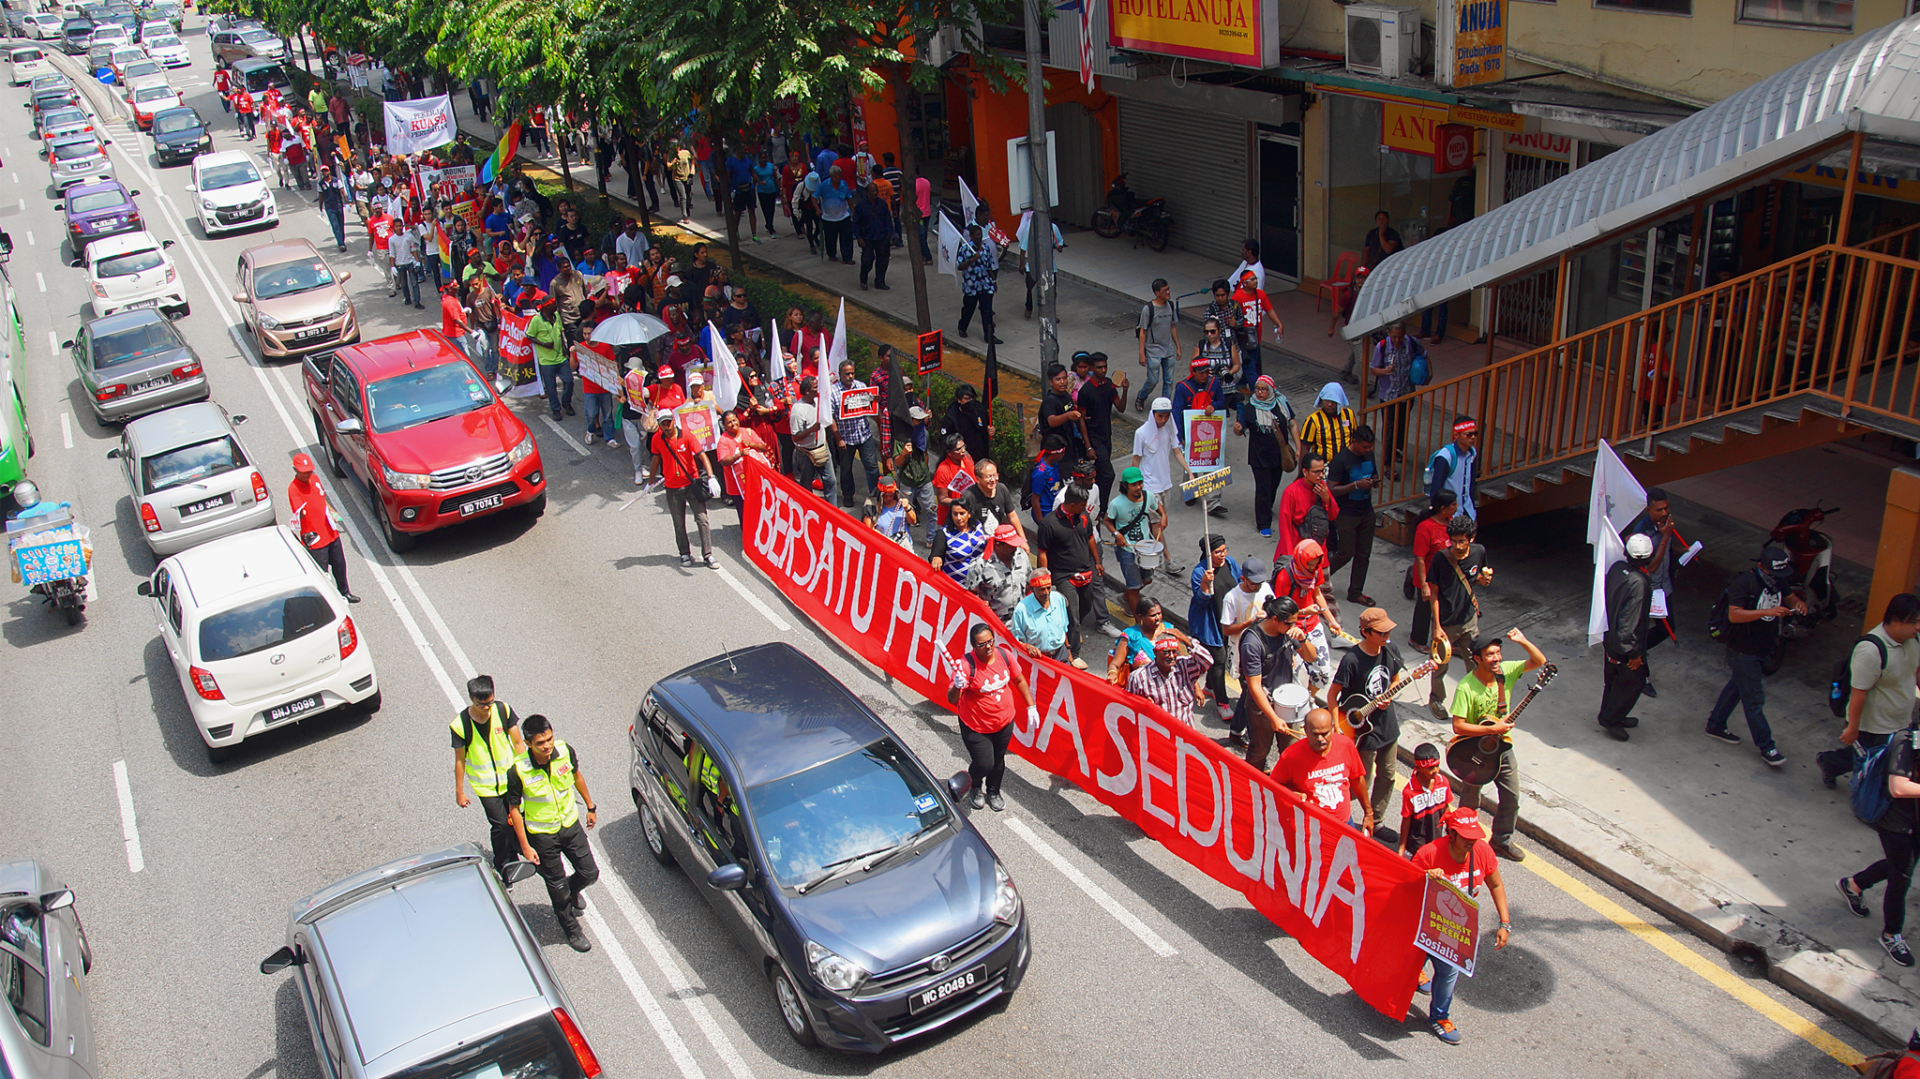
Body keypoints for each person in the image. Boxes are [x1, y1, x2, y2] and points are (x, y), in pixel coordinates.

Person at [1410, 807, 1512, 1045]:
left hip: (1453, 933)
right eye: (1465, 837)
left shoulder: (1482, 852)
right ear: (1451, 834)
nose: (1470, 842)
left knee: (1448, 973)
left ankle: (1439, 1017)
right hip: (1422, 926)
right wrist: (1425, 876)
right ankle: (1412, 974)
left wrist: (1505, 923)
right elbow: (1405, 888)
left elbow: (1496, 886)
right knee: (1408, 965)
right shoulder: (1428, 854)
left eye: (1474, 837)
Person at [505, 715, 600, 954]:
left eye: (549, 739)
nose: (547, 746)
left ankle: (572, 890)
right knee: (556, 887)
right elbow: (514, 810)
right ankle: (571, 928)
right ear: (528, 744)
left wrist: (590, 806)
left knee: (590, 873)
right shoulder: (518, 770)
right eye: (540, 743)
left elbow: (576, 777)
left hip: (569, 825)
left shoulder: (564, 750)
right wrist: (526, 847)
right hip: (542, 834)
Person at [1451, 628, 1547, 861]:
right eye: (1490, 654)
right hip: (1475, 752)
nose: (1496, 658)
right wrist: (1492, 729)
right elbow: (1458, 726)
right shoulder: (1466, 687)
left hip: (1502, 748)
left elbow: (1540, 661)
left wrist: (1523, 640)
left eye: (1498, 653)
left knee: (1512, 798)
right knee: (1470, 801)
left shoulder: (1506, 672)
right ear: (1477, 659)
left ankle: (1501, 841)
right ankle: (1462, 837)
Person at [1704, 544, 1805, 767]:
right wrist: (1768, 612)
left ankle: (1716, 724)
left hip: (1763, 647)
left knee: (1737, 687)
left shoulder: (1778, 579)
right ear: (1761, 567)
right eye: (1774, 574)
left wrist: (1797, 603)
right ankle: (1767, 746)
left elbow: (1788, 596)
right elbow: (1735, 615)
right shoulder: (1744, 584)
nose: (1778, 579)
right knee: (1753, 700)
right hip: (1743, 650)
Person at [1839, 720, 1920, 967]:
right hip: (1897, 822)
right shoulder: (1907, 740)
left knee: (1901, 865)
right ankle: (1891, 934)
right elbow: (1898, 786)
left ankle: (1854, 884)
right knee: (1901, 878)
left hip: (1916, 821)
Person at [1821, 593, 1920, 788]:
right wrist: (1852, 727)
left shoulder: (1913, 639)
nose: (1918, 627)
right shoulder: (1871, 651)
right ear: (1896, 620)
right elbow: (1859, 693)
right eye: (1914, 622)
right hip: (1875, 725)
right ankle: (1829, 764)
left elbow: (1914, 671)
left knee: (1888, 760)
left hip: (1901, 720)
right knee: (1867, 760)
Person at [1330, 607, 1406, 840]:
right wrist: (1337, 725)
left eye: (1388, 632)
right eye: (1382, 633)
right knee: (1361, 781)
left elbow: (1395, 677)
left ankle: (1377, 821)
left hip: (1387, 727)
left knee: (1389, 775)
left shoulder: (1390, 650)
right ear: (1366, 632)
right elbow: (1333, 694)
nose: (1387, 637)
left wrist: (1390, 694)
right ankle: (1339, 816)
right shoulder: (1352, 660)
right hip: (1362, 732)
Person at [946, 623, 1038, 813]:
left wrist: (1031, 706)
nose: (988, 647)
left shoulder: (1005, 656)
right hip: (976, 725)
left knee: (998, 761)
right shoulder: (965, 666)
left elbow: (1019, 680)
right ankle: (974, 785)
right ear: (973, 645)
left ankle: (994, 791)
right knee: (984, 763)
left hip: (1004, 721)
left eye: (990, 641)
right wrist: (957, 685)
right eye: (982, 644)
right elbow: (952, 699)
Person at [1415, 513, 1490, 718]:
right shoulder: (1441, 558)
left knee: (1475, 663)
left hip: (1469, 621)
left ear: (1471, 539)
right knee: (1439, 666)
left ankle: (1475, 701)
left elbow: (1477, 577)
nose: (1457, 546)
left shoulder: (1479, 552)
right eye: (1454, 541)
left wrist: (1483, 579)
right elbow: (1434, 593)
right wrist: (1437, 626)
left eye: (1462, 541)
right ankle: (1436, 701)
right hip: (1446, 624)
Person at [451, 674, 527, 875]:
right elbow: (459, 760)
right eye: (481, 704)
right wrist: (460, 791)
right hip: (485, 786)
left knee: (514, 818)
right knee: (500, 825)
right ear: (471, 699)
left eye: (489, 702)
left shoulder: (503, 710)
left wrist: (529, 770)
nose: (486, 708)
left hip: (509, 779)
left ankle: (514, 855)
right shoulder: (460, 725)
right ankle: (502, 866)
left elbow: (518, 743)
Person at [1237, 596, 1316, 771]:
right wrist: (1274, 718)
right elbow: (1254, 687)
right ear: (1274, 620)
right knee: (1260, 750)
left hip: (1287, 701)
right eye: (1289, 623)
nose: (1292, 627)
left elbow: (1311, 657)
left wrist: (1303, 640)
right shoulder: (1253, 643)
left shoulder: (1287, 632)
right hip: (1263, 706)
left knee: (1292, 750)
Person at [1034, 485, 1114, 654]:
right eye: (1082, 505)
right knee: (1073, 616)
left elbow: (1090, 538)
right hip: (1063, 575)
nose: (1085, 509)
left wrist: (1097, 561)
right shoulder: (1048, 524)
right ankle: (1073, 653)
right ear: (1072, 504)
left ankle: (1068, 631)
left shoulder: (1083, 517)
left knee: (1086, 605)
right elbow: (1042, 552)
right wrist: (1045, 577)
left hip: (1085, 572)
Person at [1623, 486, 1683, 698]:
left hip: (1664, 588)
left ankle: (1640, 648)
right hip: (1648, 590)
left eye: (1666, 508)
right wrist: (1665, 537)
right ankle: (1642, 675)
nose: (1664, 513)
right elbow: (1651, 567)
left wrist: (1682, 552)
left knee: (1667, 628)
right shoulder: (1642, 532)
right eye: (1659, 510)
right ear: (1648, 510)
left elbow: (1668, 550)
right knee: (1641, 631)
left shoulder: (1665, 524)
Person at [1273, 708, 1371, 833]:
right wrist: (1291, 795)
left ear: (1333, 728)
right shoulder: (1291, 756)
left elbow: (1357, 779)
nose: (1320, 739)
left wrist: (1368, 813)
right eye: (1315, 734)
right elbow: (1274, 786)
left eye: (1325, 733)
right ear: (1305, 730)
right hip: (1310, 828)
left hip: (1345, 824)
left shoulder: (1346, 745)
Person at [1599, 533, 1655, 741]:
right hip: (1623, 645)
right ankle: (1611, 719)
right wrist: (1633, 652)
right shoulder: (1639, 583)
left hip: (1610, 638)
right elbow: (1630, 621)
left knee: (1612, 681)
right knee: (1633, 682)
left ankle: (1613, 715)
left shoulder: (1616, 569)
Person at [287, 452, 359, 603]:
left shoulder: (314, 479)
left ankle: (344, 592)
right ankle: (329, 601)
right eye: (304, 472)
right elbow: (299, 512)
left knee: (339, 565)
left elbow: (322, 499)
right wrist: (301, 514)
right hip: (315, 538)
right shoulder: (293, 489)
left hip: (330, 531)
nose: (308, 474)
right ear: (296, 470)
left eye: (310, 471)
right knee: (322, 573)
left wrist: (332, 512)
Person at [651, 409, 717, 568]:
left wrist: (711, 476)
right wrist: (650, 482)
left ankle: (707, 555)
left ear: (674, 421)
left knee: (702, 520)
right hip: (672, 488)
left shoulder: (687, 435)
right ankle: (684, 553)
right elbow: (655, 458)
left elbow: (702, 455)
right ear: (659, 426)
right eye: (663, 425)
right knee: (679, 523)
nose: (666, 427)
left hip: (691, 485)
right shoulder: (656, 439)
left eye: (668, 423)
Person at [1276, 538, 1342, 690]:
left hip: (1313, 626)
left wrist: (1331, 620)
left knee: (1323, 672)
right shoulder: (1284, 577)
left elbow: (1317, 594)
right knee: (1292, 675)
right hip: (1292, 629)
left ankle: (1311, 698)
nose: (1312, 568)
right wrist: (1304, 611)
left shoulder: (1316, 571)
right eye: (1309, 564)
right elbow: (1280, 610)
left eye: (1315, 564)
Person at [1219, 558, 1274, 734]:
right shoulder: (1232, 598)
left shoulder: (1265, 588)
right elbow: (1227, 629)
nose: (1258, 586)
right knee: (1251, 691)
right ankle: (1244, 731)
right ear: (1243, 579)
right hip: (1244, 651)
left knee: (1252, 691)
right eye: (1253, 583)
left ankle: (1239, 729)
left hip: (1264, 648)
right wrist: (1249, 623)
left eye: (1260, 582)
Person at [1235, 375, 1294, 538]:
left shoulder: (1281, 404)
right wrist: (1238, 428)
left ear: (1271, 390)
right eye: (1258, 389)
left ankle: (1267, 507)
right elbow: (1240, 431)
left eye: (1264, 389)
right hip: (1259, 456)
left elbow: (1292, 423)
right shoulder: (1250, 408)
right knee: (1263, 489)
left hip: (1279, 455)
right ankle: (1263, 522)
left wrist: (1299, 446)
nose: (1260, 393)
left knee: (1274, 485)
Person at [1105, 466, 1164, 620]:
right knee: (1134, 587)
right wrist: (1117, 534)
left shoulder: (1148, 497)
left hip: (1145, 547)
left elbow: (1160, 511)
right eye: (1134, 484)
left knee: (1147, 579)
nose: (1138, 487)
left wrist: (1163, 518)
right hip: (1127, 549)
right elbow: (1107, 520)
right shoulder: (1117, 504)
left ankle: (1125, 598)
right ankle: (1139, 622)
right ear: (1125, 485)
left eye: (1140, 483)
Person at [1327, 425, 1378, 605]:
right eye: (1364, 446)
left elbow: (1374, 474)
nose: (1367, 450)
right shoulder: (1340, 460)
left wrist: (1375, 482)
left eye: (1369, 447)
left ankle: (1355, 592)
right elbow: (1332, 488)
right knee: (1345, 552)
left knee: (1364, 554)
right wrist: (1355, 485)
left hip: (1366, 510)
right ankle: (1316, 579)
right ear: (1354, 441)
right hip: (1346, 513)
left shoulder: (1369, 455)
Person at [1189, 535, 1239, 714]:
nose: (1223, 554)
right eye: (1218, 552)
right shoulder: (1199, 572)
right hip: (1209, 624)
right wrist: (1204, 584)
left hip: (1228, 621)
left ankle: (1210, 686)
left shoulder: (1231, 563)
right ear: (1208, 554)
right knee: (1219, 661)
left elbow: (1239, 586)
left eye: (1224, 550)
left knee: (1224, 655)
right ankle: (1222, 704)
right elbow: (1201, 601)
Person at [1370, 321, 1423, 475]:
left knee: (1402, 425)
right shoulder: (1382, 347)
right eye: (1394, 337)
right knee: (1389, 429)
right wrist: (1384, 371)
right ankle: (1387, 465)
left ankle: (1396, 451)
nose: (1397, 340)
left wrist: (1428, 373)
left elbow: (1424, 355)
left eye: (1400, 337)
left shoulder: (1411, 343)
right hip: (1388, 396)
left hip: (1406, 393)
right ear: (1388, 333)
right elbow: (1373, 369)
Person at [1128, 636, 1215, 726]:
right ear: (1155, 652)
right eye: (1166, 652)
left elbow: (1208, 660)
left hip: (1184, 734)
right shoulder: (1138, 677)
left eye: (1174, 652)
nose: (1171, 656)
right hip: (1157, 733)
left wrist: (1186, 639)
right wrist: (1144, 705)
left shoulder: (1184, 666)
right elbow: (1129, 708)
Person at [830, 360, 879, 508]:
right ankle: (848, 494)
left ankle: (875, 495)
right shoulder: (833, 392)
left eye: (852, 373)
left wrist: (875, 400)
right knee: (846, 469)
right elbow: (830, 417)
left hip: (864, 434)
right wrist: (838, 438)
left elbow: (870, 406)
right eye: (847, 374)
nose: (850, 376)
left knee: (872, 467)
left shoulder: (861, 387)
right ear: (840, 374)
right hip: (845, 438)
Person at [1274, 451, 1337, 565]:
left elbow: (1334, 516)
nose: (1321, 475)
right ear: (1305, 472)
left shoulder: (1323, 487)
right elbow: (1285, 525)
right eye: (1316, 472)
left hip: (1318, 549)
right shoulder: (1291, 492)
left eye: (1322, 471)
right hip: (1297, 547)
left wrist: (1327, 499)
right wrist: (1289, 556)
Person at [1079, 352, 1127, 498]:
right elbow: (1081, 418)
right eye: (1099, 367)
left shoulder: (1109, 385)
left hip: (1107, 436)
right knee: (1108, 474)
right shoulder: (1086, 391)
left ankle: (1095, 503)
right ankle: (1102, 507)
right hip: (1094, 437)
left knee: (1100, 474)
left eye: (1105, 367)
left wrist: (1125, 390)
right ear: (1092, 369)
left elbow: (1120, 407)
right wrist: (1088, 445)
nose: (1103, 370)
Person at [964, 524, 1031, 622]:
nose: (1015, 548)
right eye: (1011, 545)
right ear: (999, 545)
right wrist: (981, 606)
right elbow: (969, 595)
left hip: (1022, 620)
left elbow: (1029, 582)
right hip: (996, 624)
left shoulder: (1022, 556)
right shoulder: (980, 566)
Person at [1133, 279, 1180, 413]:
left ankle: (1164, 405)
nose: (1168, 292)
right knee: (1153, 380)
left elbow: (1173, 326)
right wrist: (1141, 353)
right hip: (1153, 350)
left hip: (1168, 349)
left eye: (1168, 289)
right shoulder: (1148, 309)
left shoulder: (1170, 306)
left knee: (1169, 380)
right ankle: (1141, 396)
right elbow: (1143, 331)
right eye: (1165, 290)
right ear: (1157, 293)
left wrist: (1178, 346)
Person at [1397, 743, 1451, 858]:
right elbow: (1406, 820)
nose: (1435, 771)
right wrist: (1402, 846)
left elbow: (1446, 806)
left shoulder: (1444, 782)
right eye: (1430, 768)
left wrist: (1449, 826)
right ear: (1418, 768)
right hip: (1417, 840)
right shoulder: (1410, 792)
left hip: (1437, 834)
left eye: (1437, 766)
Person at [1230, 271, 1283, 389]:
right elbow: (1231, 316)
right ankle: (1258, 390)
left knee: (1252, 363)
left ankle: (1242, 384)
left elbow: (1269, 310)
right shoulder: (1237, 297)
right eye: (1252, 279)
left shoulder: (1261, 294)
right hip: (1244, 338)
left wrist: (1279, 324)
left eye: (1255, 279)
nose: (1255, 281)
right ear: (1244, 282)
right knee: (1250, 366)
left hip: (1256, 337)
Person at [527, 297, 573, 421]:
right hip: (546, 360)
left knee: (569, 381)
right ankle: (556, 409)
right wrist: (543, 344)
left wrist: (564, 347)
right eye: (554, 305)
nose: (556, 307)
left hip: (560, 357)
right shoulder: (536, 320)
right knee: (551, 387)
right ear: (547, 307)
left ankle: (566, 402)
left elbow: (561, 332)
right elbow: (529, 335)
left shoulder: (556, 315)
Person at [1010, 569, 1072, 662]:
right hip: (1037, 660)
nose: (1046, 593)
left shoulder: (1059, 599)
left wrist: (1068, 650)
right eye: (1042, 589)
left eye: (1049, 588)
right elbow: (1016, 639)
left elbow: (1064, 629)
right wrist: (1027, 646)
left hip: (1061, 655)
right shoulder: (1021, 610)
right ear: (1032, 589)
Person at [1426, 418, 1480, 521]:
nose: (1473, 437)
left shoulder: (1472, 452)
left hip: (1468, 510)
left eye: (1475, 434)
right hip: (1450, 514)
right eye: (1468, 434)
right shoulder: (1445, 456)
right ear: (1456, 435)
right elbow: (1437, 487)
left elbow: (1471, 482)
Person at [789, 376, 833, 500]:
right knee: (806, 486)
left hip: (822, 448)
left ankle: (832, 509)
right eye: (815, 387)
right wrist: (811, 430)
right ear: (807, 391)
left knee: (830, 480)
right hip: (806, 453)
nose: (818, 389)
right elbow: (795, 437)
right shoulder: (798, 411)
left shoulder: (819, 402)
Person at [960, 458, 1023, 544]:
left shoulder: (1002, 489)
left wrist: (1023, 539)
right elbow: (962, 523)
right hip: (977, 543)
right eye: (988, 476)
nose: (993, 480)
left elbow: (1012, 516)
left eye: (995, 475)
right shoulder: (968, 497)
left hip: (998, 540)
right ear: (978, 479)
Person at [956, 223, 1001, 344]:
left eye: (980, 234)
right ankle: (962, 327)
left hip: (985, 284)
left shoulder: (985, 248)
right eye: (976, 235)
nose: (979, 237)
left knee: (987, 311)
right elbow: (959, 266)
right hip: (972, 286)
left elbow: (989, 266)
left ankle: (989, 335)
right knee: (969, 309)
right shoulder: (965, 249)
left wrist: (993, 280)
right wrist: (971, 260)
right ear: (971, 236)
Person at [932, 501, 990, 585]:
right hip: (954, 586)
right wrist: (936, 558)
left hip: (979, 584)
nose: (958, 518)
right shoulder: (944, 533)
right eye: (955, 514)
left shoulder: (979, 526)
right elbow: (935, 554)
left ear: (969, 514)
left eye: (962, 513)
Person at [861, 476, 918, 548]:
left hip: (904, 547)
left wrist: (907, 509)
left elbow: (913, 521)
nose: (888, 498)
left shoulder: (901, 502)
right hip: (883, 548)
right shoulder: (871, 506)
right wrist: (889, 541)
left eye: (891, 495)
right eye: (885, 496)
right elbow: (869, 530)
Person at [853, 182, 892, 289]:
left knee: (882, 261)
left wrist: (889, 234)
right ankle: (863, 279)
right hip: (867, 238)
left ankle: (880, 281)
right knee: (867, 260)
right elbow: (856, 222)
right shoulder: (860, 205)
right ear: (867, 192)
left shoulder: (882, 204)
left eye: (876, 191)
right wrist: (859, 237)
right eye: (873, 191)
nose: (875, 193)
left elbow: (888, 220)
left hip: (881, 237)